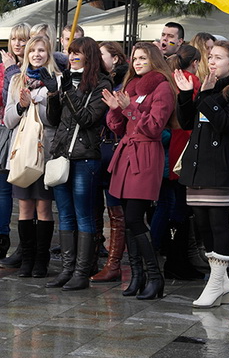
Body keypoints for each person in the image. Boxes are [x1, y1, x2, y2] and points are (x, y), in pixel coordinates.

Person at [175, 40, 229, 308]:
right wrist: (184, 95)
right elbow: (187, 122)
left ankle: (216, 281)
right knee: (202, 224)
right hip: (197, 164)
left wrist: (206, 95)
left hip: (219, 165)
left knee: (218, 223)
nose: (211, 62)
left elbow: (224, 124)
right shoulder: (207, 88)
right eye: (210, 57)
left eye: (219, 58)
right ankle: (220, 280)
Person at [103, 42, 176, 300]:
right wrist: (116, 109)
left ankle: (155, 277)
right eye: (135, 58)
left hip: (145, 155)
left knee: (134, 217)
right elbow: (118, 127)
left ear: (154, 59)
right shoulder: (131, 87)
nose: (137, 62)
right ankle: (137, 276)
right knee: (128, 216)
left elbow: (155, 127)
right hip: (126, 154)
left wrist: (128, 108)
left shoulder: (163, 87)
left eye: (143, 57)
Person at [45, 37, 112, 290]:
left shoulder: (102, 84)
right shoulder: (65, 80)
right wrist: (54, 93)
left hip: (85, 157)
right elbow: (54, 119)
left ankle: (82, 272)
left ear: (89, 56)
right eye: (70, 52)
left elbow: (86, 119)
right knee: (65, 214)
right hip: (62, 155)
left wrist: (69, 91)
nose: (72, 56)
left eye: (78, 53)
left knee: (84, 215)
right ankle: (66, 269)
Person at [0, 35, 59, 276]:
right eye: (32, 50)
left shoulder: (55, 81)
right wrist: (22, 106)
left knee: (44, 208)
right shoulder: (16, 80)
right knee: (24, 208)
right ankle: (26, 257)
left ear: (49, 53)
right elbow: (7, 120)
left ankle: (41, 260)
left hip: (44, 150)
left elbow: (55, 119)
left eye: (42, 50)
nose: (36, 54)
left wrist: (43, 100)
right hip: (22, 152)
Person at [159, 44, 204, 281]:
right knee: (183, 208)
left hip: (174, 145)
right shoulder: (192, 82)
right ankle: (178, 261)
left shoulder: (169, 80)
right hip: (187, 146)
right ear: (195, 63)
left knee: (175, 204)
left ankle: (174, 259)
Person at [0, 23, 30, 262]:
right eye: (14, 39)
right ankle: (0, 237)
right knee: (3, 190)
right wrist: (9, 72)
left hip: (30, 135)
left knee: (27, 192)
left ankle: (27, 243)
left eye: (23, 40)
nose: (18, 44)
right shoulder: (4, 66)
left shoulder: (36, 64)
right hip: (7, 130)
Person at [91, 41, 129, 283]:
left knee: (117, 209)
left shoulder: (124, 83)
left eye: (101, 54)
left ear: (115, 58)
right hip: (97, 150)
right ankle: (94, 253)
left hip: (115, 149)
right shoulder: (93, 79)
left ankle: (114, 262)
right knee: (93, 207)